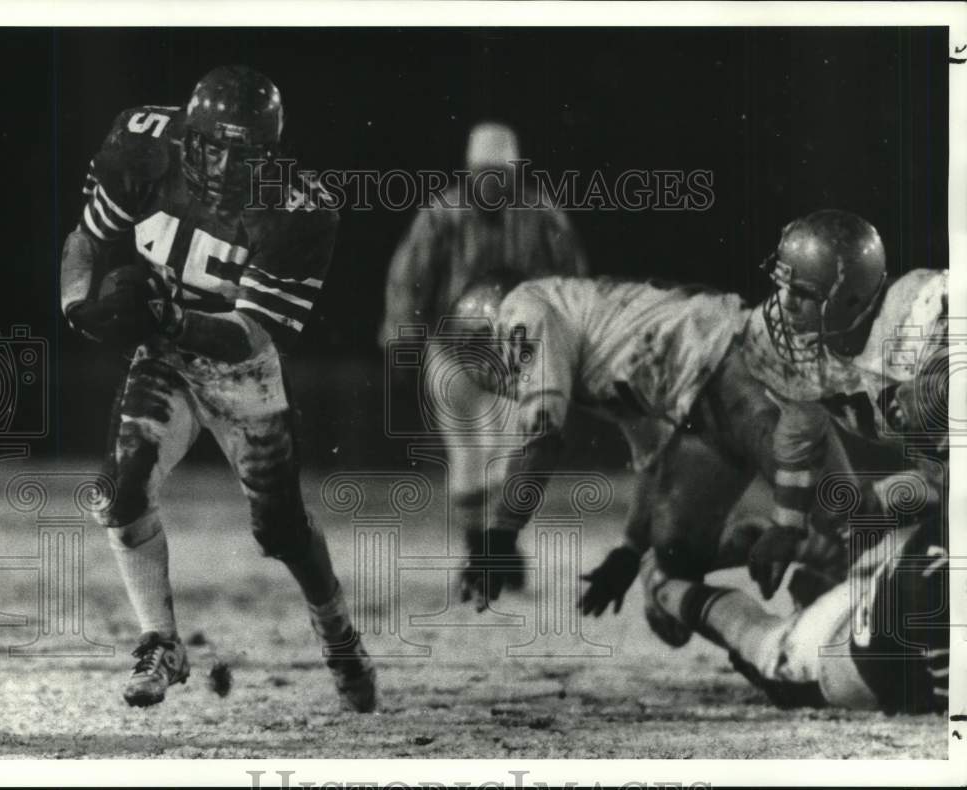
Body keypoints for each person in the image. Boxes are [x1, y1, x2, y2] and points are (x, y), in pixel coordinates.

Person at [59, 65, 376, 710]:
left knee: (280, 530)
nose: (227, 163)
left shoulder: (298, 208)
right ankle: (161, 641)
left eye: (245, 151)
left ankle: (338, 633)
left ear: (271, 153)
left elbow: (254, 334)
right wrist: (75, 306)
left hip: (240, 368)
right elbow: (86, 241)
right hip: (165, 356)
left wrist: (171, 318)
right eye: (214, 144)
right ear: (187, 135)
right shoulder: (141, 146)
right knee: (121, 492)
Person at [449, 271, 838, 645]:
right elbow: (654, 456)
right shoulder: (602, 350)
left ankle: (853, 614)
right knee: (673, 552)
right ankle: (768, 547)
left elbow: (543, 438)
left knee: (832, 511)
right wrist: (630, 550)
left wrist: (500, 535)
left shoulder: (522, 310)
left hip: (731, 362)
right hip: (700, 406)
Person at [378, 123, 588, 547]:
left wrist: (400, 339)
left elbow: (408, 279)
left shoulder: (529, 214)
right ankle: (488, 547)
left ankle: (489, 547)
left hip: (511, 351)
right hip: (460, 349)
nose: (492, 186)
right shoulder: (531, 214)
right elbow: (408, 280)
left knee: (496, 453)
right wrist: (403, 337)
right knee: (484, 452)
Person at [739, 209, 948, 600]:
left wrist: (942, 380)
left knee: (921, 579)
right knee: (856, 523)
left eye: (801, 293)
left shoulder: (923, 318)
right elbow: (802, 426)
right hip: (942, 479)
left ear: (851, 298)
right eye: (782, 287)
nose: (784, 304)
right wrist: (788, 523)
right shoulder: (800, 348)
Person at [646, 503, 949, 713]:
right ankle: (662, 584)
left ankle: (810, 549)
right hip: (831, 645)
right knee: (757, 638)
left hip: (874, 588)